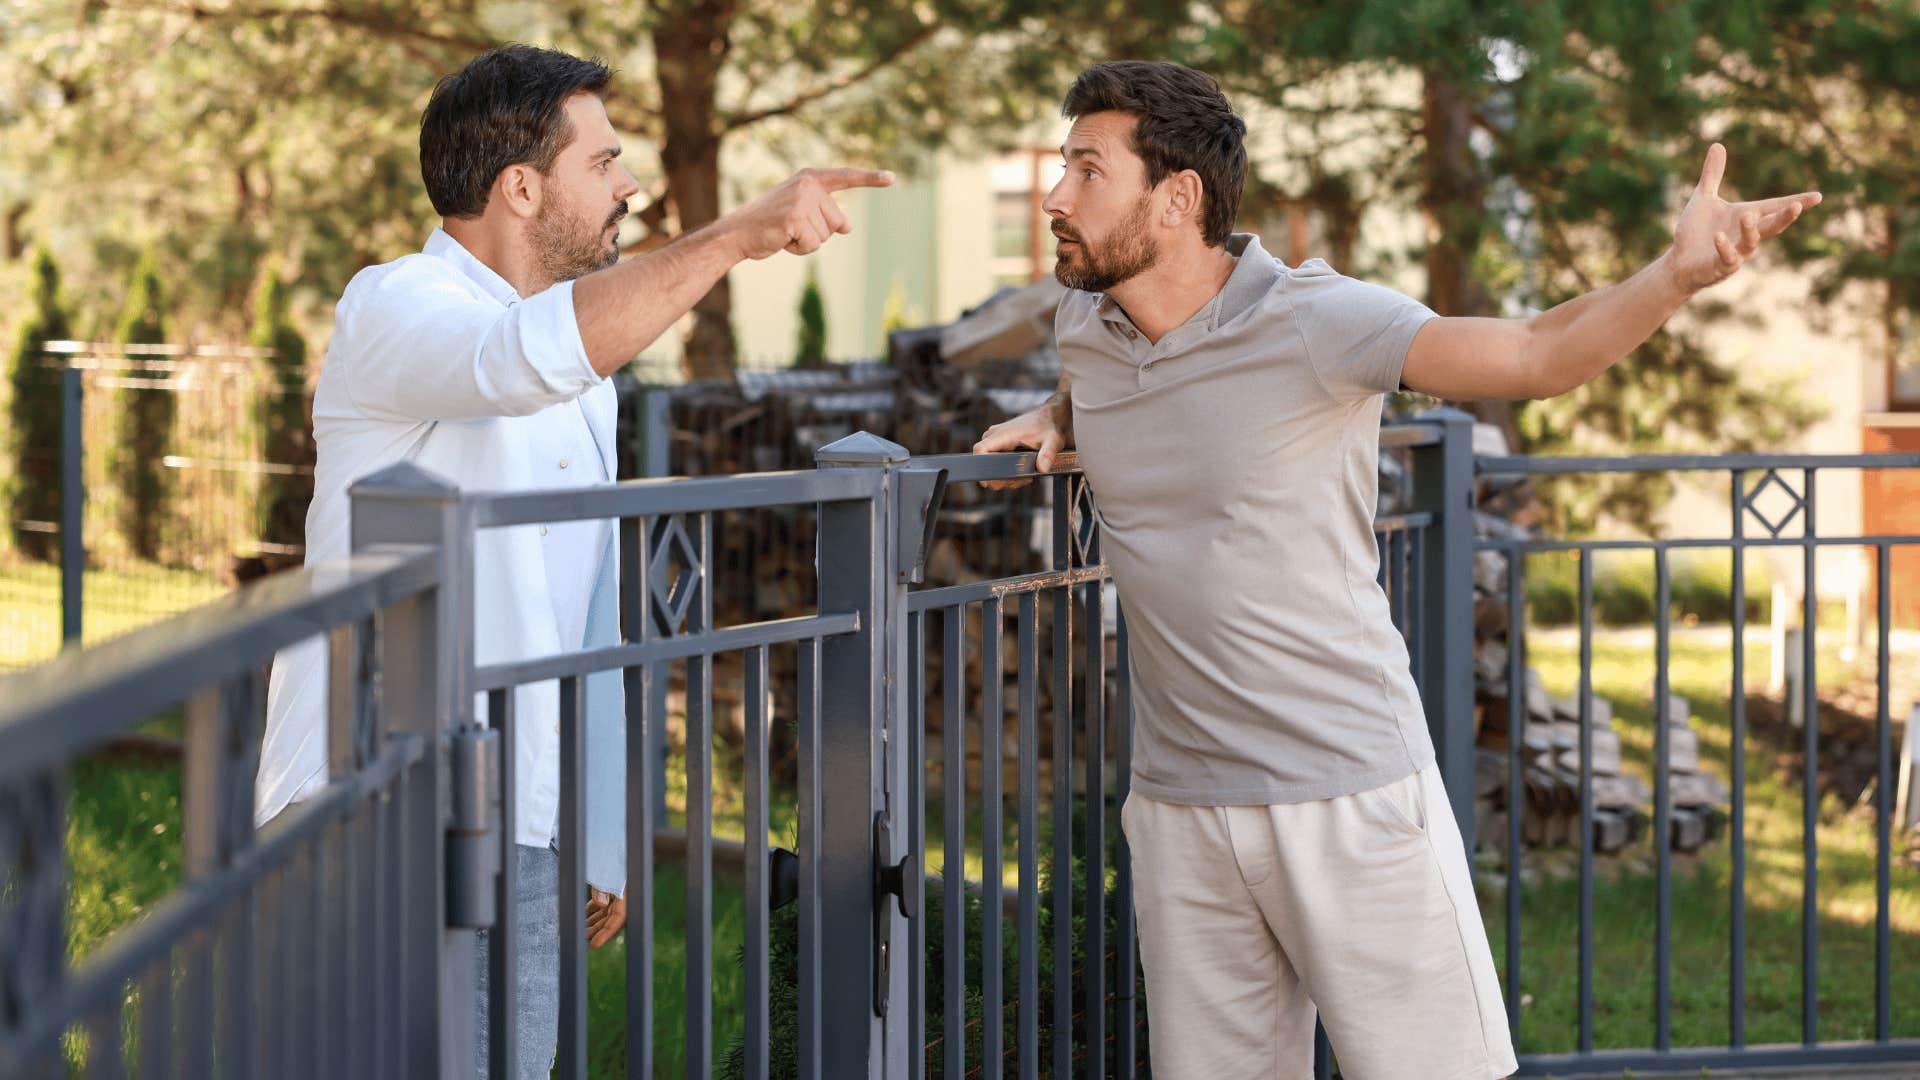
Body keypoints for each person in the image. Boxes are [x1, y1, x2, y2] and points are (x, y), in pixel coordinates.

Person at [972, 60, 1817, 1080]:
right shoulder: (1088, 327)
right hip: (1180, 804)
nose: (1057, 197)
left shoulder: (1319, 321)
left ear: (1177, 197)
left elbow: (1534, 354)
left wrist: (1675, 273)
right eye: (1061, 168)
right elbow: (1120, 387)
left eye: (1087, 171)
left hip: (1348, 793)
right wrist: (1054, 418)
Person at [250, 44, 891, 1077]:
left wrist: (593, 830)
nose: (631, 185)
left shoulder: (588, 375)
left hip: (518, 818)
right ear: (519, 186)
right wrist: (729, 238)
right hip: (375, 805)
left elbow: (582, 608)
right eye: (606, 162)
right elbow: (516, 361)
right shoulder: (396, 304)